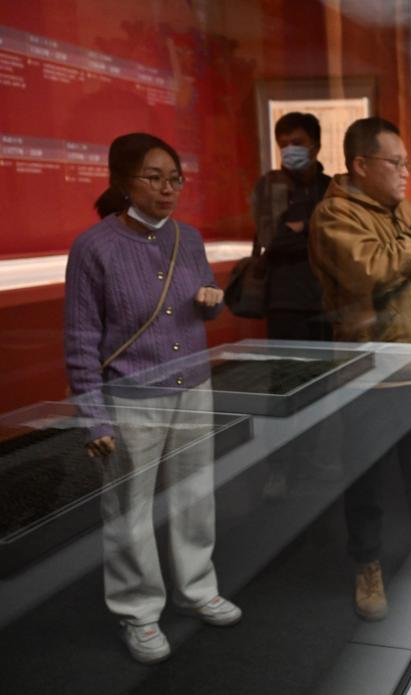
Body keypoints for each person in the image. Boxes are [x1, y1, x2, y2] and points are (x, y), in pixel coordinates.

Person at [64, 133, 241, 665]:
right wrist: (93, 417)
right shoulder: (94, 247)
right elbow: (80, 340)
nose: (168, 189)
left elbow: (203, 300)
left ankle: (196, 587)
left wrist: (212, 300)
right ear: (123, 181)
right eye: (154, 178)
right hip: (131, 395)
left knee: (195, 495)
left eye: (175, 179)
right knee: (129, 508)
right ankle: (138, 611)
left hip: (194, 387)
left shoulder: (189, 238)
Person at [309, 117, 411, 621]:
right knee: (367, 479)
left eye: (408, 163)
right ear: (360, 165)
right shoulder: (334, 214)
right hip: (372, 373)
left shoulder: (405, 210)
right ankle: (368, 565)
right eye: (395, 163)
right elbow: (371, 270)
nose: (406, 172)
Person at [252, 112, 332, 341]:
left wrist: (302, 227)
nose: (289, 149)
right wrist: (314, 229)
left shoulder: (329, 187)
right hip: (285, 302)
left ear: (315, 146)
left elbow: (336, 236)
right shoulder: (270, 186)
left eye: (297, 143)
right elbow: (272, 239)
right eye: (283, 144)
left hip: (327, 299)